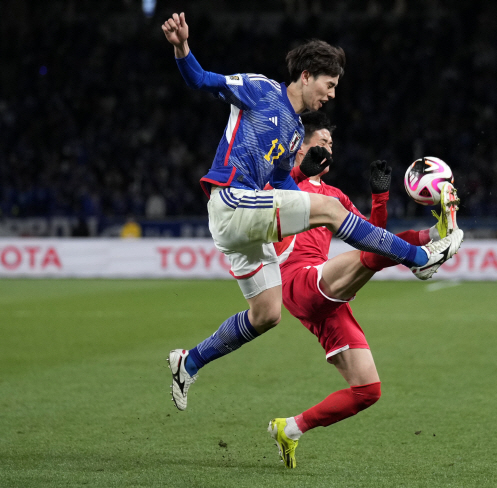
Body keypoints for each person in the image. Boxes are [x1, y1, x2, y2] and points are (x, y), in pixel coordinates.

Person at [161, 13, 464, 411]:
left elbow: (285, 185)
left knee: (267, 314)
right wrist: (182, 48)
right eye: (330, 84)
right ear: (307, 76)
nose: (333, 94)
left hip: (248, 222)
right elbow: (202, 80)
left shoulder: (291, 132)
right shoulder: (261, 89)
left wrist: (307, 183)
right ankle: (420, 260)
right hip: (232, 200)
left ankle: (190, 361)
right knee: (331, 207)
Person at [265, 112, 460, 468]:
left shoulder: (335, 196)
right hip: (297, 281)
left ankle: (290, 429)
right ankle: (423, 258)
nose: (328, 149)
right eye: (320, 143)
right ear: (299, 147)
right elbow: (265, 197)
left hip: (325, 291)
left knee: (367, 391)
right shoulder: (280, 181)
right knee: (373, 255)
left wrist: (380, 196)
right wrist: (298, 173)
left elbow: (375, 237)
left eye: (330, 144)